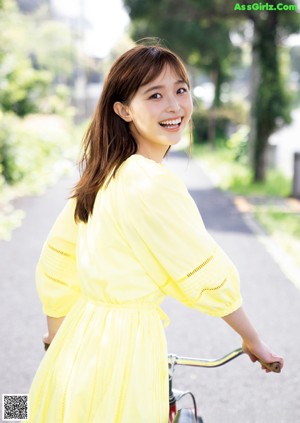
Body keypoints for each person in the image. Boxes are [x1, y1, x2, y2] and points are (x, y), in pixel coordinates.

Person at [25, 42, 283, 423]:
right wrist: (253, 340)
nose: (175, 105)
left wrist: (55, 337)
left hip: (75, 346)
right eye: (155, 95)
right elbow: (202, 268)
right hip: (124, 353)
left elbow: (56, 263)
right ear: (123, 109)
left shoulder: (101, 177)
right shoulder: (150, 182)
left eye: (181, 89)